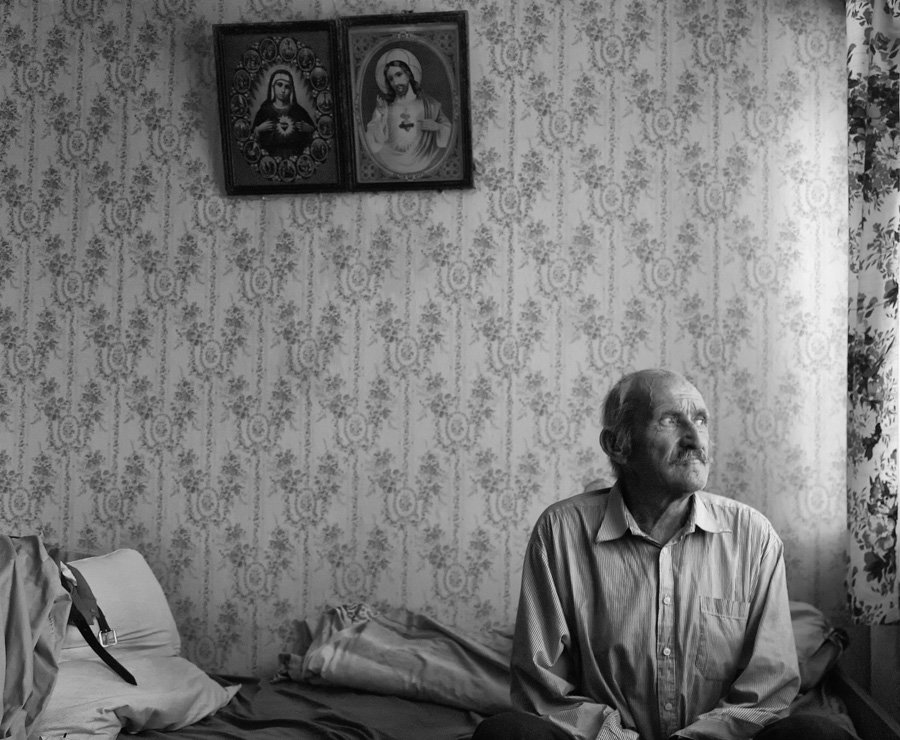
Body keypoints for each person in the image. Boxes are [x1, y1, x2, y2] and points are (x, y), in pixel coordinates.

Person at [473, 369, 854, 740]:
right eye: (670, 421)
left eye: (701, 420)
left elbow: (768, 688)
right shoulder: (560, 533)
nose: (695, 439)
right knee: (504, 734)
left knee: (818, 735)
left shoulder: (754, 537)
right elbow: (543, 689)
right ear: (617, 445)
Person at [364, 48, 452, 175]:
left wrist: (437, 127)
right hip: (391, 164)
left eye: (399, 75)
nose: (395, 82)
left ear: (409, 74)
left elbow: (449, 132)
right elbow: (372, 143)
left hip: (424, 162)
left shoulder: (430, 105)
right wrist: (381, 117)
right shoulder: (384, 107)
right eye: (390, 79)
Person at [251, 68, 316, 158]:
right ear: (273, 86)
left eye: (287, 86)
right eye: (279, 85)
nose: (283, 90)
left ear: (291, 90)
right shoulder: (264, 111)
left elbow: (315, 133)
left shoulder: (298, 111)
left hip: (296, 157)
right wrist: (258, 129)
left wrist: (310, 129)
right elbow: (251, 138)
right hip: (270, 159)